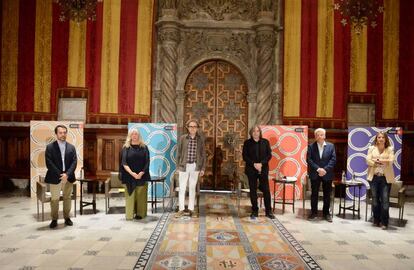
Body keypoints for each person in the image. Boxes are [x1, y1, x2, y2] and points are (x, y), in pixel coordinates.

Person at [44, 125, 77, 229]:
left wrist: (67, 174)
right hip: (55, 177)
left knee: (67, 198)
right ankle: (54, 219)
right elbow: (49, 163)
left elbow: (74, 162)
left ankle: (67, 218)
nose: (63, 134)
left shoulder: (71, 147)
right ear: (56, 134)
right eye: (60, 132)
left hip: (68, 177)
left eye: (64, 132)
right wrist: (61, 175)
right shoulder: (50, 147)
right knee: (54, 199)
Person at [242, 125, 275, 219]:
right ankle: (254, 210)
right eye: (254, 131)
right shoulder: (247, 143)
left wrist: (261, 164)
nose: (256, 133)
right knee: (253, 191)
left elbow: (269, 155)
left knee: (266, 190)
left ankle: (268, 211)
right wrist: (254, 164)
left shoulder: (265, 142)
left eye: (257, 131)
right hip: (251, 169)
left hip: (263, 169)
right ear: (251, 133)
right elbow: (245, 156)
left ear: (260, 132)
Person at [176, 120, 206, 218]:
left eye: (195, 126)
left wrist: (202, 168)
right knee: (182, 188)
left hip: (195, 166)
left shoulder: (200, 139)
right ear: (187, 127)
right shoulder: (183, 138)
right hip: (183, 166)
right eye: (191, 126)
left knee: (192, 188)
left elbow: (203, 155)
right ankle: (180, 209)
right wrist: (177, 166)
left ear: (197, 128)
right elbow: (179, 153)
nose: (193, 128)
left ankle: (191, 209)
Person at [366, 131, 395, 230]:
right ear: (376, 139)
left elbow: (391, 161)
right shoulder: (371, 148)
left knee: (385, 201)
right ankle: (376, 219)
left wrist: (377, 160)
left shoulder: (390, 149)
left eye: (383, 137)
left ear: (386, 139)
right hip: (374, 177)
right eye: (379, 137)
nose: (381, 139)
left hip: (385, 178)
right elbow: (368, 160)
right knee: (375, 200)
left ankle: (384, 222)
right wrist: (376, 163)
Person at [307, 128, 336, 222]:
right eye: (317, 135)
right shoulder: (311, 146)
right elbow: (309, 160)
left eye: (321, 135)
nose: (319, 136)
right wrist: (318, 169)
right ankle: (313, 213)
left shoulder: (331, 146)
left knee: (327, 194)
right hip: (315, 173)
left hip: (327, 174)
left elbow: (333, 160)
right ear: (315, 137)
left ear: (325, 136)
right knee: (314, 194)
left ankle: (326, 213)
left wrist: (325, 169)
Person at [120, 128, 150, 220]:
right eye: (132, 134)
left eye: (136, 134)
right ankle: (129, 214)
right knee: (130, 196)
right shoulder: (126, 147)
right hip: (129, 176)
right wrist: (132, 173)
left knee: (141, 196)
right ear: (130, 136)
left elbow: (147, 162)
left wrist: (141, 173)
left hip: (142, 175)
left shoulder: (144, 147)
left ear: (139, 135)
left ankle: (140, 214)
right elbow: (124, 162)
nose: (134, 135)